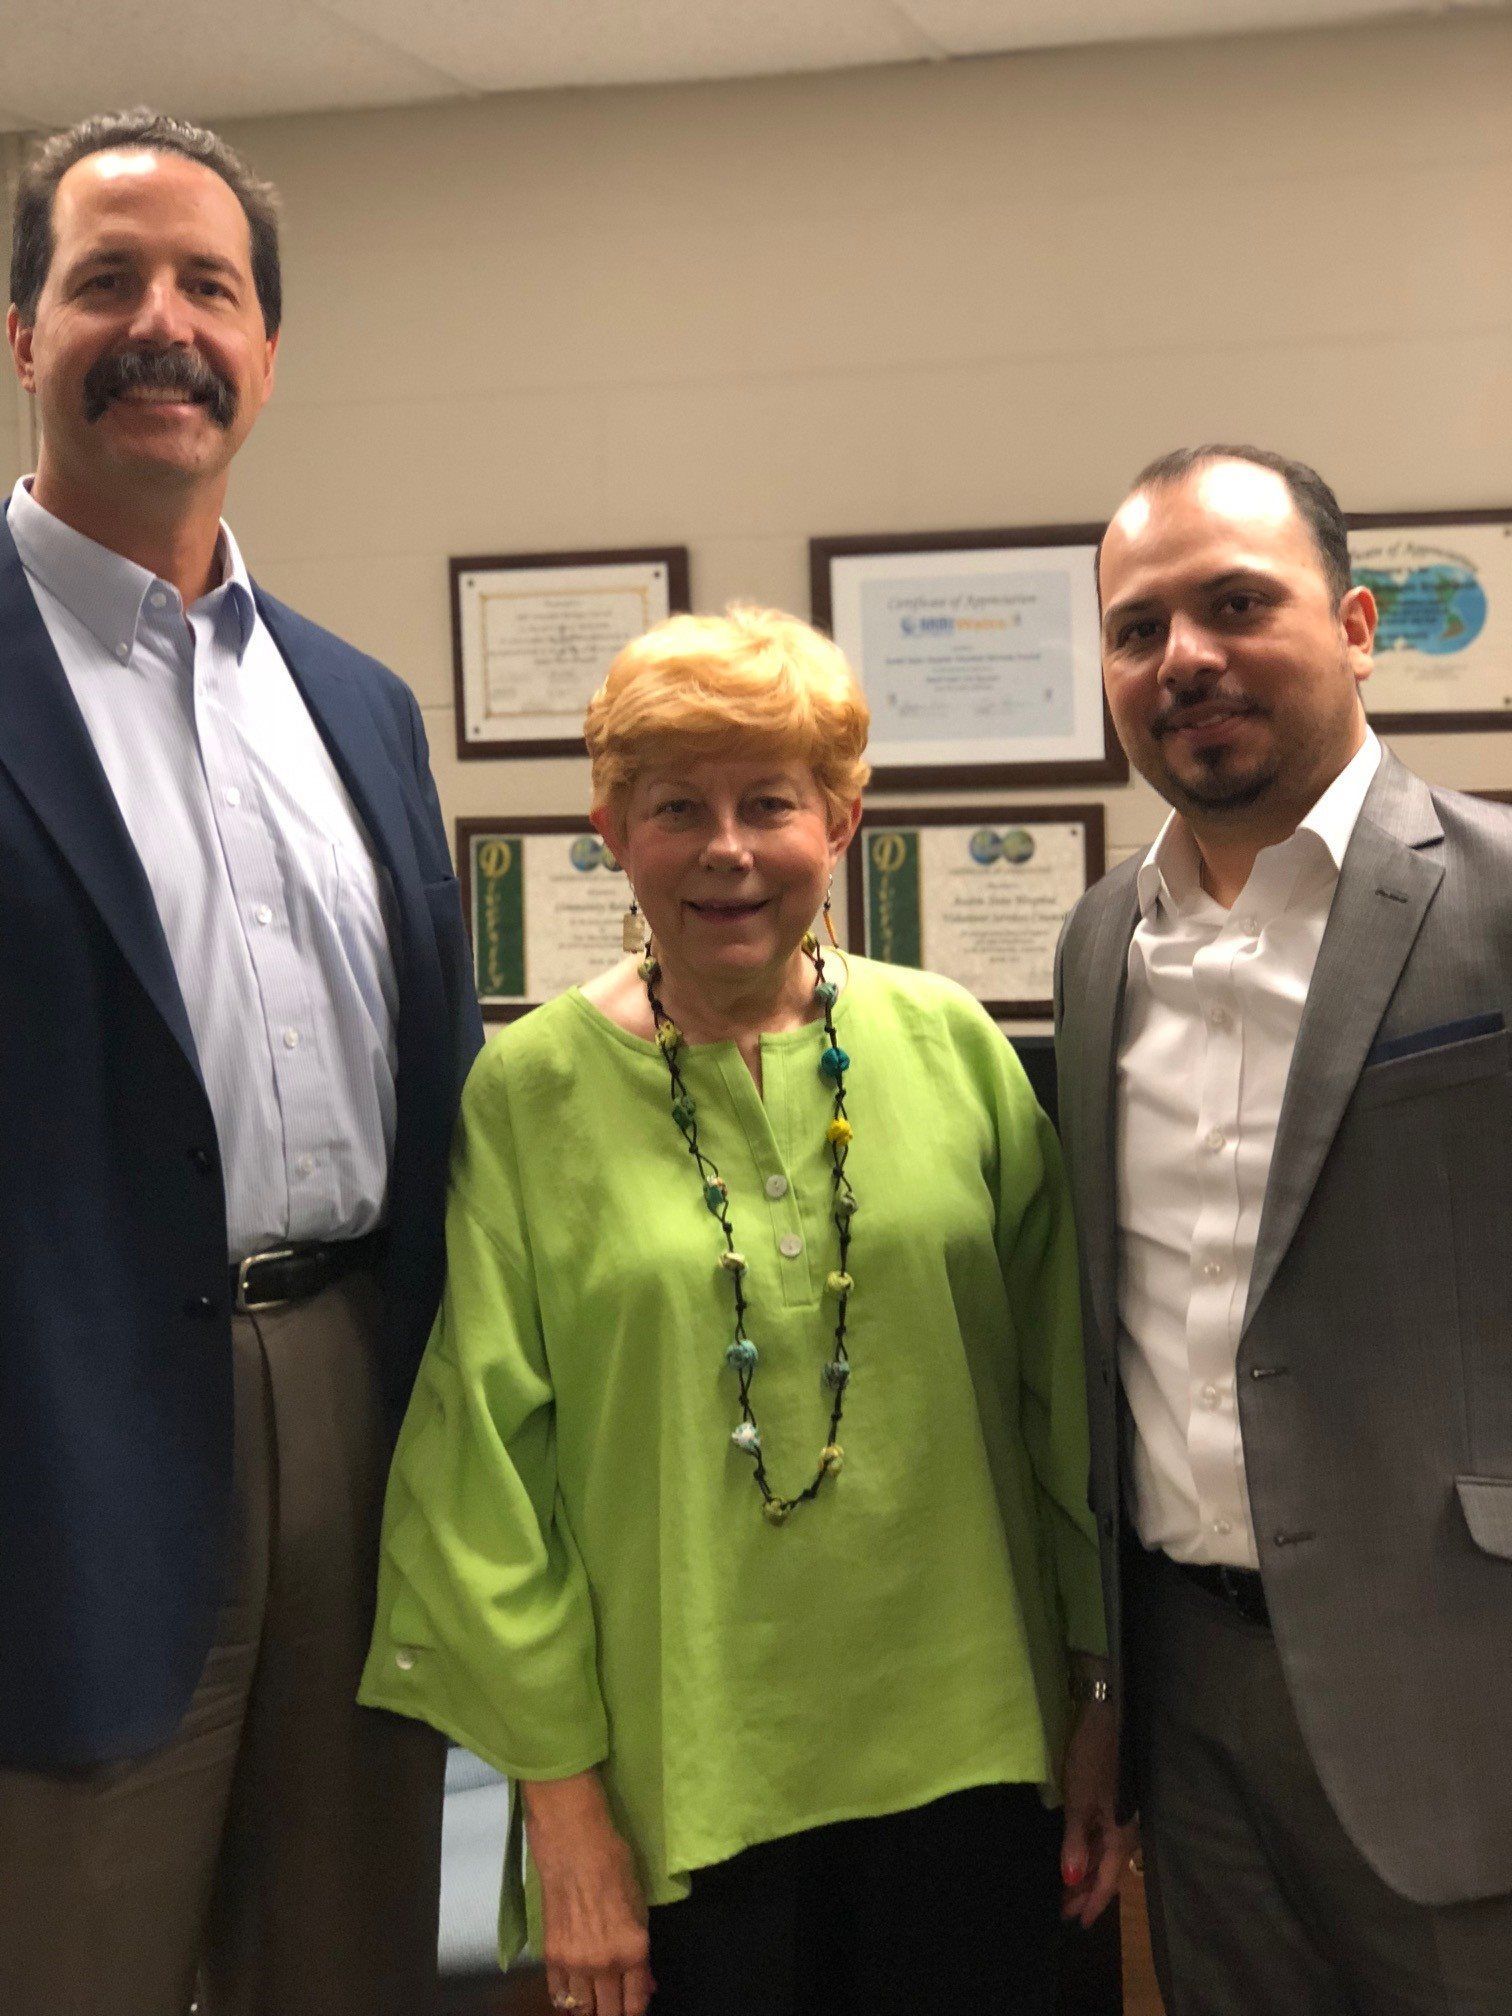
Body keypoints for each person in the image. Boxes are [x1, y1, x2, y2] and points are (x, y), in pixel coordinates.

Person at [361, 605, 1124, 2016]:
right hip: (684, 1780)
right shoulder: (526, 1094)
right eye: (675, 807)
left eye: (769, 801)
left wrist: (1096, 1703)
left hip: (980, 1752)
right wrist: (565, 1817)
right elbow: (487, 1480)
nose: (726, 847)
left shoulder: (950, 1045)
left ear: (842, 816)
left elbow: (1067, 1408)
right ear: (609, 827)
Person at [0, 110, 482, 2015]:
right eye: (104, 278)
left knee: (354, 1958)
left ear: (268, 348)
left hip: (365, 1408)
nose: (162, 322)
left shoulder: (357, 703)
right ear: (21, 331)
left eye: (211, 285)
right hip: (55, 1441)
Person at [1055, 444, 1512, 2015]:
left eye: (1237, 603)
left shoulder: (1501, 899)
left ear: (1360, 622)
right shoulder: (1101, 941)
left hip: (1465, 1692)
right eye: (1137, 629)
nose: (1184, 658)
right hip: (1194, 1713)